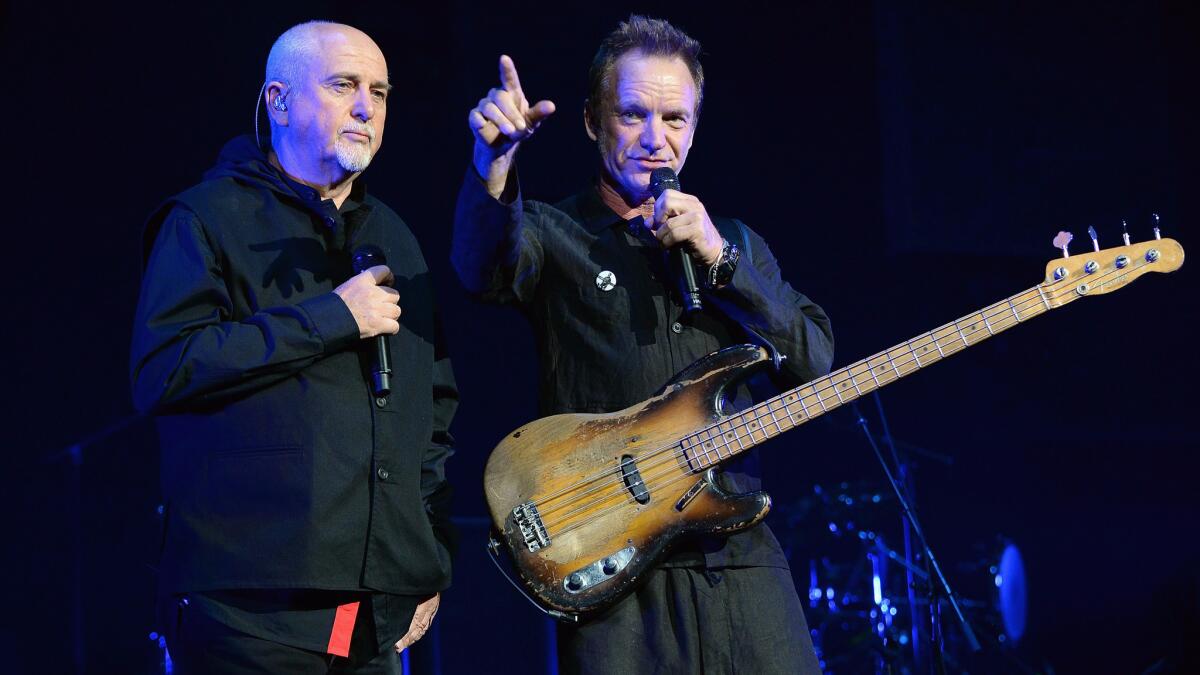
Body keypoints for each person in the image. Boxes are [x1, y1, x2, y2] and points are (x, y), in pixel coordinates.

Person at [453, 14, 834, 675]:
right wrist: (495, 163)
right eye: (633, 116)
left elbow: (812, 362)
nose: (656, 139)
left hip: (738, 562)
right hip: (616, 575)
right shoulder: (554, 232)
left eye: (676, 120)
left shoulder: (734, 242)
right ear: (592, 122)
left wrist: (721, 259)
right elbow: (479, 266)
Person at [130, 21, 455, 673]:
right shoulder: (207, 218)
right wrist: (330, 317)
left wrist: (422, 551)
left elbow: (433, 406)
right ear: (278, 101)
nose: (367, 106)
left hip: (373, 620)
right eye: (343, 85)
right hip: (248, 615)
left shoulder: (393, 234)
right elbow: (164, 369)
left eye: (380, 91)